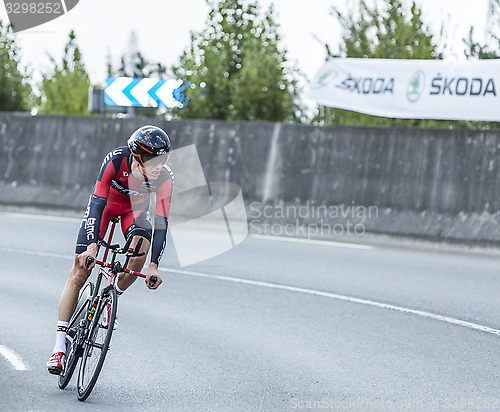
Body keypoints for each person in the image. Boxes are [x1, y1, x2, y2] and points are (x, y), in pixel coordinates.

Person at [47, 125, 174, 375]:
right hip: (105, 208)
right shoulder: (116, 160)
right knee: (80, 271)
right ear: (137, 156)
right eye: (152, 159)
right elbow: (96, 203)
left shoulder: (164, 177)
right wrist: (92, 246)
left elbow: (161, 222)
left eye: (163, 158)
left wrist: (154, 266)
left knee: (140, 249)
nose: (159, 164)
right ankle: (59, 345)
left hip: (133, 210)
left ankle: (111, 294)